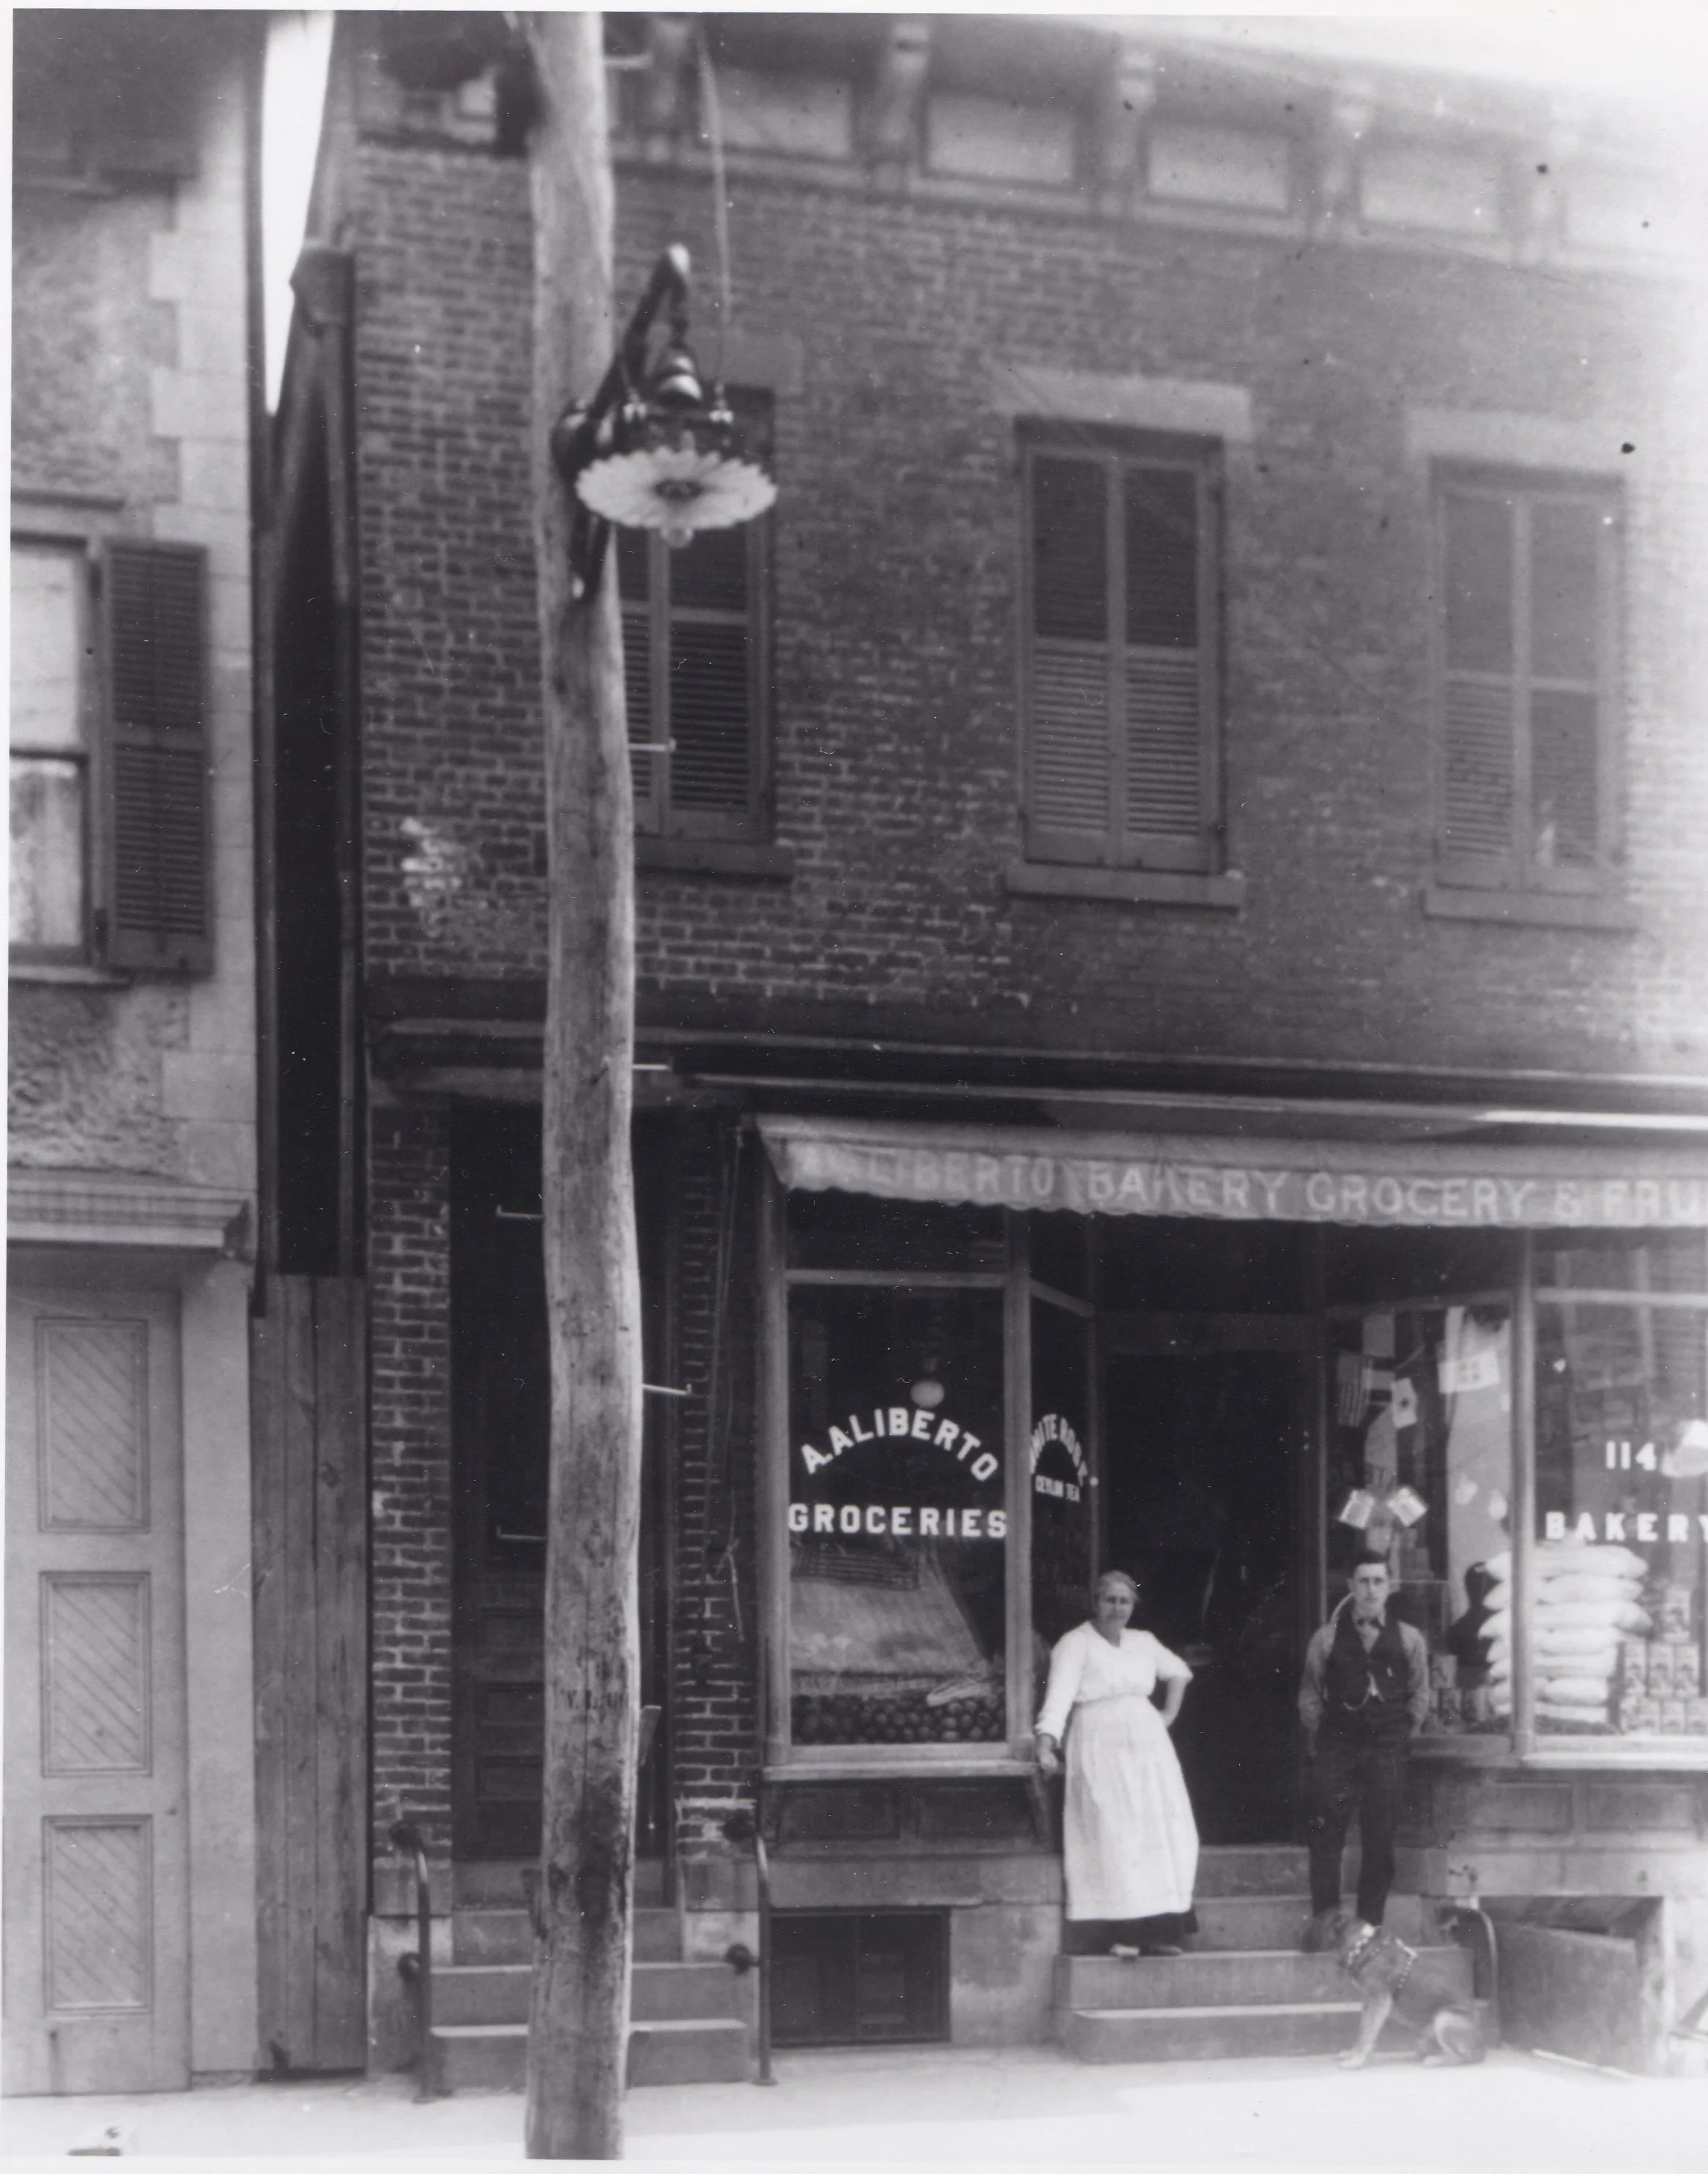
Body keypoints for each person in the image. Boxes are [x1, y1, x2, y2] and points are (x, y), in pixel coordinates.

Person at [1034, 1568, 1199, 1957]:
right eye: (1110, 1600)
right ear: (1095, 1602)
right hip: (1098, 1745)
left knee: (1158, 1833)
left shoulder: (1143, 1642)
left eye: (1125, 1601)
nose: (1117, 1608)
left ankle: (1159, 1933)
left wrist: (1169, 1714)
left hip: (1148, 1748)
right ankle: (1121, 1935)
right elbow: (1058, 1699)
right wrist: (1046, 1744)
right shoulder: (1075, 1644)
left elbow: (1179, 1672)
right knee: (1114, 1833)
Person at [1298, 1553, 1430, 1949]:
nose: (1371, 1589)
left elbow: (1420, 1694)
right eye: (1364, 1582)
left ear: (1388, 1588)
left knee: (1380, 1835)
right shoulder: (1325, 1637)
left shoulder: (1410, 1639)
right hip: (1338, 1744)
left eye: (1378, 1581)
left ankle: (1369, 1926)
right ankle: (1325, 1923)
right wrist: (1328, 1730)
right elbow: (1308, 1693)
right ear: (1351, 1588)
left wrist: (1403, 1730)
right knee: (1325, 1833)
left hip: (1387, 1747)